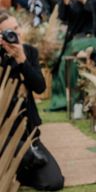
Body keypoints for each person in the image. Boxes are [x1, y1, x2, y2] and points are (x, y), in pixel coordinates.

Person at [0, 11, 65, 190]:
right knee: (20, 152)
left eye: (16, 28)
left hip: (28, 133)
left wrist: (22, 60)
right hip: (3, 134)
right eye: (8, 32)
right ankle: (21, 160)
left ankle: (20, 167)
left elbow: (40, 87)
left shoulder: (29, 52)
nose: (16, 34)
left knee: (55, 182)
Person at [49, 0, 96, 111]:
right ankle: (67, 100)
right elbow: (62, 17)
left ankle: (81, 99)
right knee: (65, 62)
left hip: (92, 38)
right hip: (73, 39)